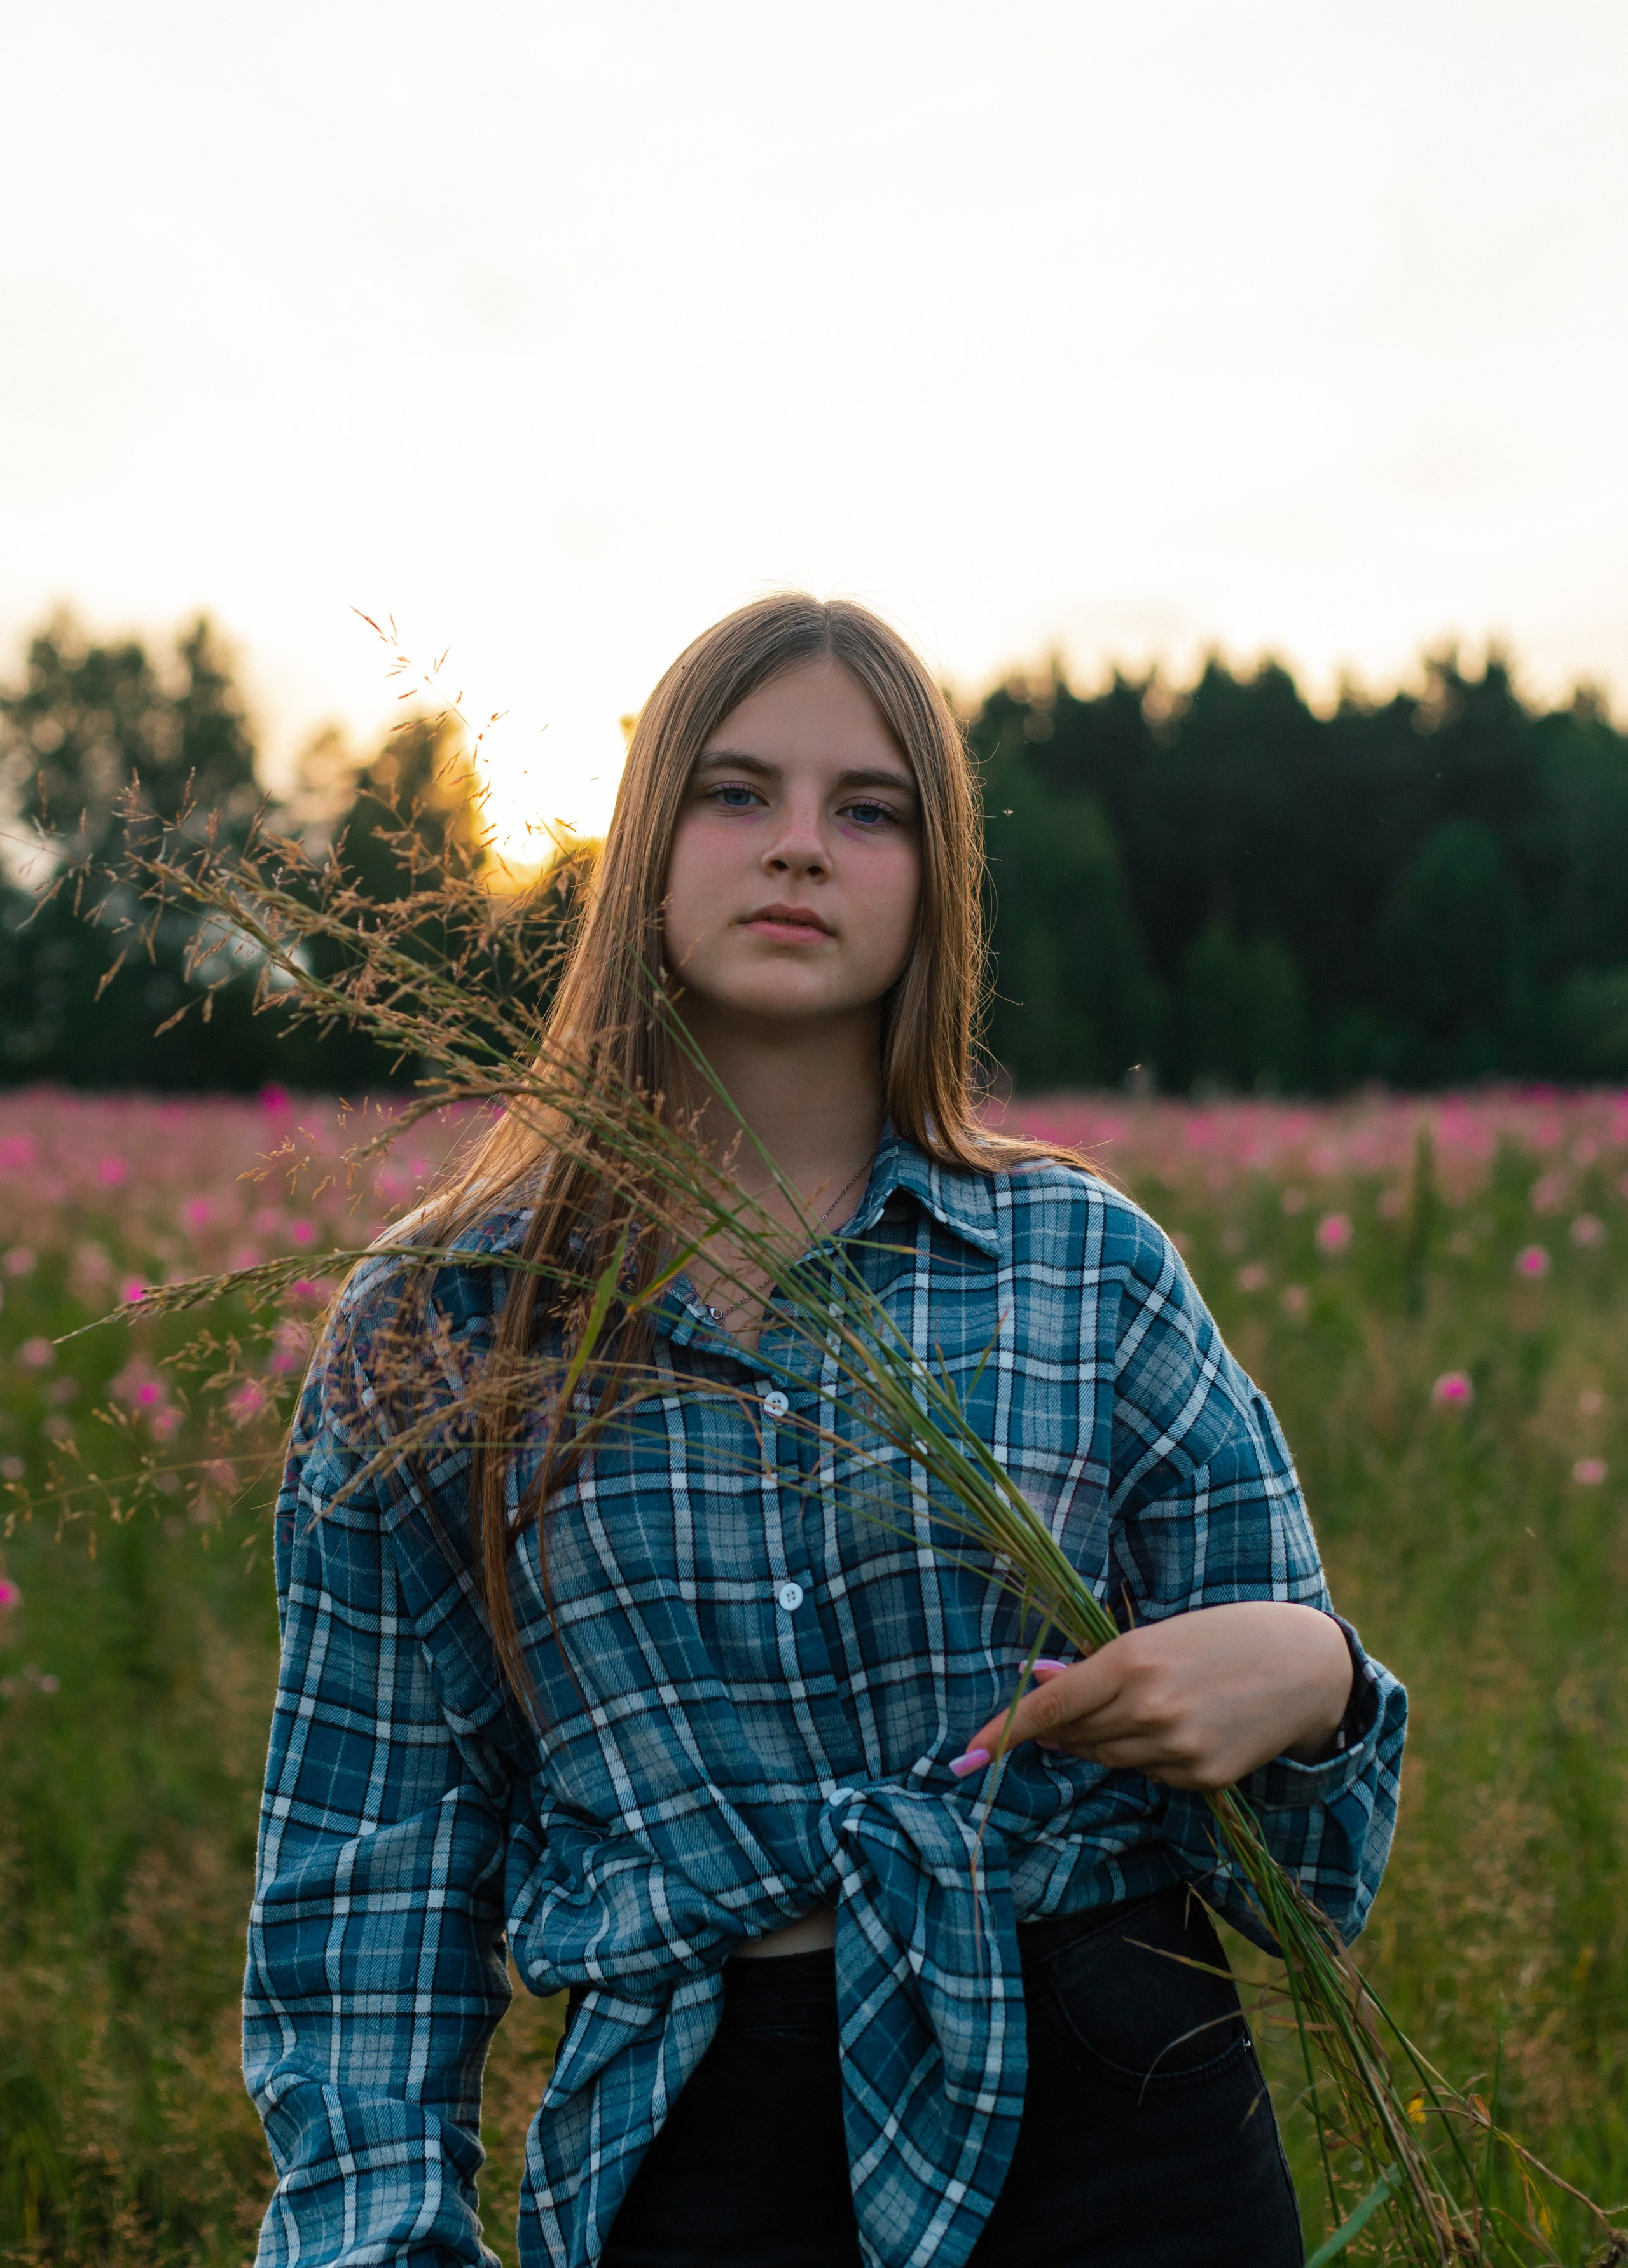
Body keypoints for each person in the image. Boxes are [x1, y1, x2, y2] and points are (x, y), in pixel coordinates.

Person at [246, 593, 1406, 2268]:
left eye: (868, 810)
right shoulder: (443, 1322)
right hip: (703, 2138)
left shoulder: (1090, 1265)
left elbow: (1305, 1893)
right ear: (642, 847)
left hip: (1124, 2096)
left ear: (935, 879)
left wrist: (1312, 1679)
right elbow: (368, 1881)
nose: (799, 845)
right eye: (737, 792)